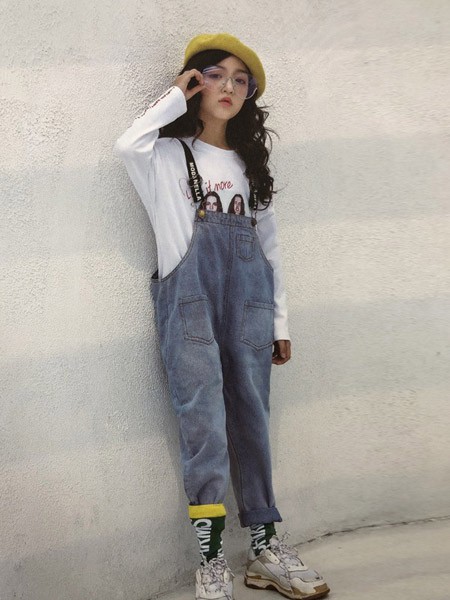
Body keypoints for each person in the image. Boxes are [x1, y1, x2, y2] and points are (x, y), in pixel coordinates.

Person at [114, 32, 329, 600]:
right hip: (189, 304)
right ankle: (210, 562)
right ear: (195, 82)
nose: (228, 86)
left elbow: (270, 249)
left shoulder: (250, 167)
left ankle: (265, 549)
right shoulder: (165, 156)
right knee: (203, 424)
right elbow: (126, 144)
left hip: (250, 305)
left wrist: (280, 322)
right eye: (215, 75)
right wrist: (174, 96)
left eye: (241, 80)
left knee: (252, 418)